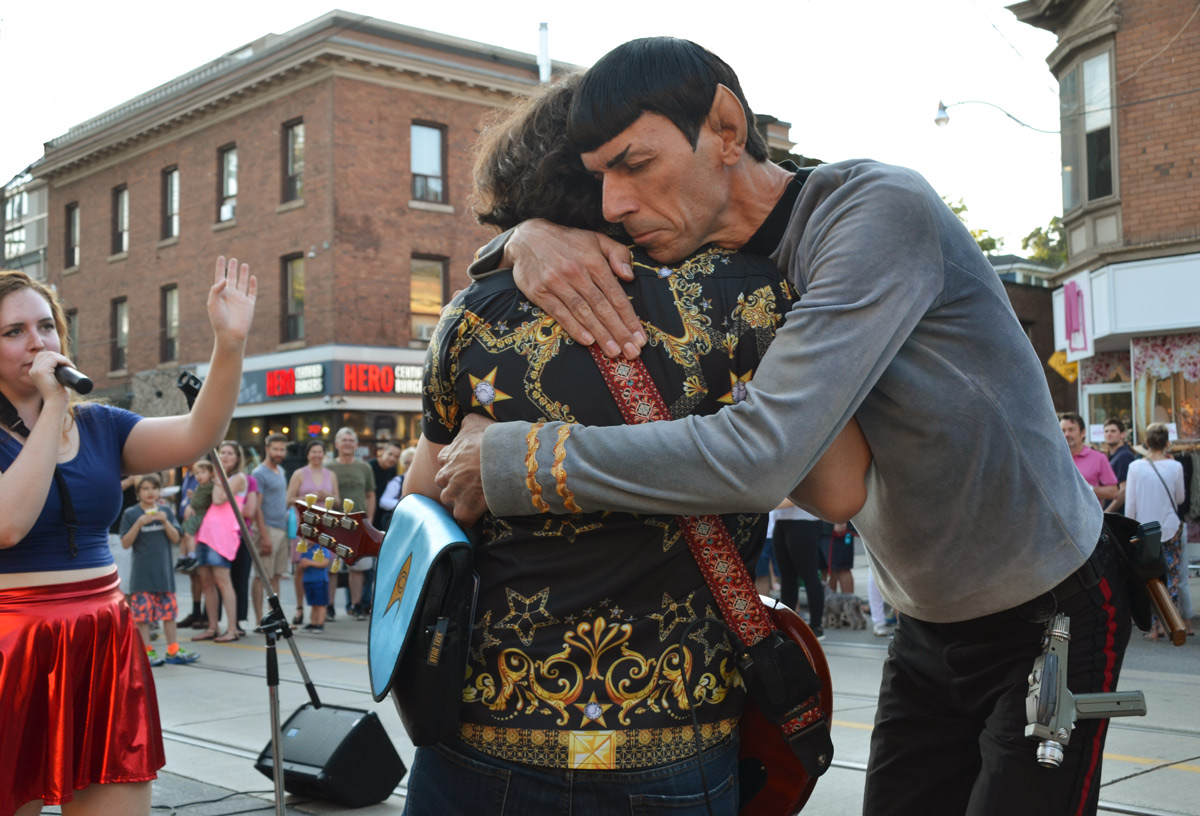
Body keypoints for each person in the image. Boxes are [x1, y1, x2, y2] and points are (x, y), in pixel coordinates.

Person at [435, 37, 1132, 816]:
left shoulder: (876, 211)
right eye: (600, 178)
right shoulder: (708, 250)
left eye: (635, 165)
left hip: (1047, 604)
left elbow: (763, 456)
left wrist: (521, 461)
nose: (611, 205)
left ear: (727, 130)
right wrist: (522, 239)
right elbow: (539, 221)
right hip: (924, 619)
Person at [398, 74, 868, 815]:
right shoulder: (752, 298)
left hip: (491, 724)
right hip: (678, 729)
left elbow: (423, 511)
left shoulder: (474, 314)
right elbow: (839, 492)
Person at [0, 258, 255, 816]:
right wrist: (53, 406)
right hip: (12, 645)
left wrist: (229, 344)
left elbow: (197, 435)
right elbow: (8, 523)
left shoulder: (100, 424)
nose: (36, 342)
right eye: (13, 331)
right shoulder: (53, 415)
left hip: (101, 638)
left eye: (45, 326)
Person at [119, 473, 198, 666]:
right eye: (145, 489)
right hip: (142, 577)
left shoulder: (165, 511)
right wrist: (139, 523)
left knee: (169, 614)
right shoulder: (131, 513)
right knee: (142, 617)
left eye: (154, 488)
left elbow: (176, 538)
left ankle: (173, 649)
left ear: (159, 491)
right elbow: (125, 543)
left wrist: (165, 521)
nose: (150, 492)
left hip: (164, 575)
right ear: (138, 493)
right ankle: (146, 651)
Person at [1125, 422, 1188, 641]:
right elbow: (1180, 498)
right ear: (1167, 443)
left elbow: (1130, 505)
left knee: (1149, 577)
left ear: (1147, 442)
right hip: (1170, 527)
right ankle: (1170, 625)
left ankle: (1152, 628)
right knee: (1171, 577)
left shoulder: (1135, 467)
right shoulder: (1176, 466)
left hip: (1145, 529)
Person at [191, 441, 247, 643]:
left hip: (223, 534)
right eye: (222, 452)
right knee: (206, 581)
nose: (224, 456)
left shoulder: (238, 478)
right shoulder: (217, 477)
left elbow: (218, 499)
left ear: (237, 458)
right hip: (205, 533)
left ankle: (232, 628)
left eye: (229, 453)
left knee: (223, 580)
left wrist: (217, 477)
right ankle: (212, 626)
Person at [285, 440, 337, 626]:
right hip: (304, 526)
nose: (316, 455)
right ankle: (300, 607)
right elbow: (289, 500)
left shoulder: (330, 475)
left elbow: (338, 501)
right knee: (301, 567)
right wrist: (309, 498)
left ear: (324, 454)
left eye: (320, 452)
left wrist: (328, 497)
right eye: (313, 451)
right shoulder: (299, 474)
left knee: (324, 565)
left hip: (325, 526)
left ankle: (321, 609)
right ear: (308, 454)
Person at [326, 427, 374, 620]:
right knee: (332, 566)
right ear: (337, 444)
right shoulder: (328, 467)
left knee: (358, 567)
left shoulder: (364, 467)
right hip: (333, 523)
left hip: (358, 523)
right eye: (344, 440)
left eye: (351, 440)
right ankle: (329, 607)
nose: (347, 443)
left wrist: (369, 520)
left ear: (356, 444)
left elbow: (370, 495)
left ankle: (356, 606)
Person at [772, 499, 826, 639]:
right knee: (787, 578)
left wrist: (764, 503)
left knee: (809, 577)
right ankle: (786, 626)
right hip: (781, 521)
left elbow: (794, 498)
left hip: (803, 521)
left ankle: (816, 626)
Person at [251, 433, 290, 625]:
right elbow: (256, 507)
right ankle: (260, 619)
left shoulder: (280, 470)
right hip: (266, 529)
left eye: (282, 449)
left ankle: (276, 617)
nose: (279, 453)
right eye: (275, 449)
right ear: (267, 449)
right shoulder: (259, 473)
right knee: (262, 576)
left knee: (276, 576)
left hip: (282, 529)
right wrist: (264, 535)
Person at [1060, 411, 1118, 507]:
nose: (1066, 434)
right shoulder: (1053, 459)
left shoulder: (1098, 458)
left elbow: (1114, 492)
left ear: (1083, 433)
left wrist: (1089, 489)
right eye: (1063, 430)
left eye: (1071, 430)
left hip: (1087, 516)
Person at [177, 458, 215, 573]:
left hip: (199, 515)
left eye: (202, 472)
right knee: (183, 534)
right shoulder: (200, 486)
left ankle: (192, 556)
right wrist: (192, 496)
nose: (199, 476)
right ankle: (182, 557)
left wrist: (192, 504)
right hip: (193, 513)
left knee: (188, 534)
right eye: (197, 473)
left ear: (210, 473)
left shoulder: (211, 486)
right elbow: (198, 499)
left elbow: (204, 501)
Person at [1104, 418, 1137, 514]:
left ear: (1123, 435)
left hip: (1119, 515)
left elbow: (1124, 490)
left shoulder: (1124, 456)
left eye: (1113, 431)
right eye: (1106, 431)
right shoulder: (1113, 456)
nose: (1109, 434)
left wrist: (1107, 513)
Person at [369, 439, 403, 528]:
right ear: (383, 451)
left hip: (381, 518)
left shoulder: (392, 471)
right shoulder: (369, 467)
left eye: (396, 457)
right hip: (368, 514)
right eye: (390, 454)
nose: (392, 459)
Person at [298, 542, 331, 634]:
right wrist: (302, 565)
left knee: (321, 604)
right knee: (313, 604)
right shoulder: (305, 548)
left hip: (320, 580)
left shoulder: (321, 548)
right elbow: (301, 564)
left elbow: (325, 562)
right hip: (308, 580)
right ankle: (313, 623)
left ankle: (320, 624)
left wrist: (309, 563)